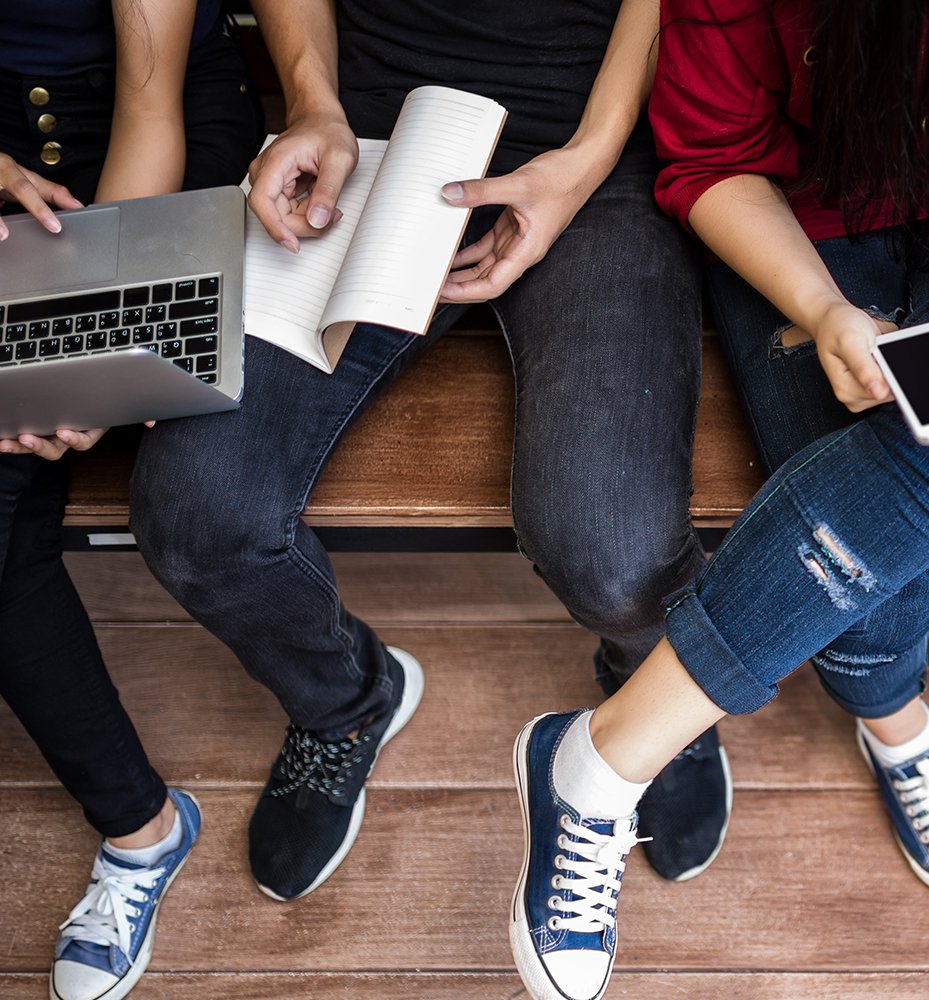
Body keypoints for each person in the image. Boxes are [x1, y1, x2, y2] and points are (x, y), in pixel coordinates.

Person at [503, 2, 929, 998]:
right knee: (846, 482)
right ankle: (893, 717)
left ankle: (604, 756)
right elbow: (709, 158)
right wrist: (824, 310)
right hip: (795, 217)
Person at [124, 0, 731, 904]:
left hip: (593, 151)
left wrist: (584, 160)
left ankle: (655, 697)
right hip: (378, 135)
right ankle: (345, 701)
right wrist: (313, 104)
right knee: (195, 515)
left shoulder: (593, 153)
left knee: (613, 551)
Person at [0, 1, 261, 996]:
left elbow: (154, 105)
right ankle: (143, 828)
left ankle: (140, 826)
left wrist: (75, 350)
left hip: (152, 145)